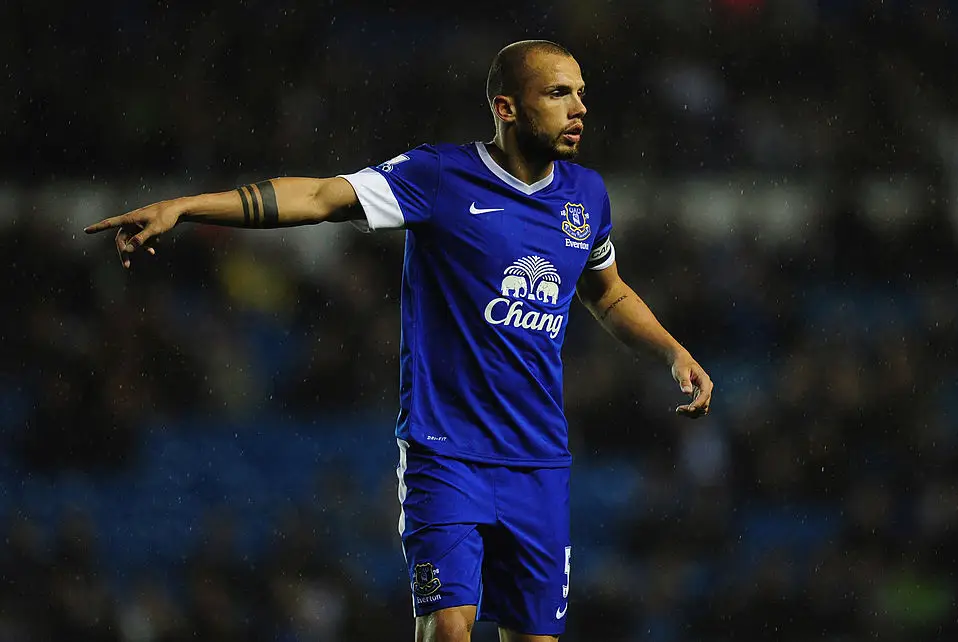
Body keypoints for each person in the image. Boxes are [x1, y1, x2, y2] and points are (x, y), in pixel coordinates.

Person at [85, 40, 714, 642]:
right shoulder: (440, 176)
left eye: (581, 93)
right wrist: (186, 206)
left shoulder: (587, 196)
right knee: (448, 624)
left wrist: (673, 351)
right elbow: (320, 195)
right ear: (507, 107)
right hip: (447, 454)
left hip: (538, 462)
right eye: (558, 93)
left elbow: (606, 293)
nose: (580, 108)